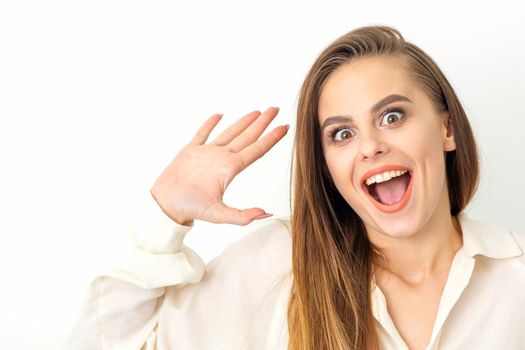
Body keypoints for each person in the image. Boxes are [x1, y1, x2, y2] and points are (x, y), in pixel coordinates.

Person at [69, 26, 525, 350]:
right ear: (327, 164)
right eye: (341, 134)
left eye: (392, 116)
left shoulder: (515, 277)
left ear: (446, 129)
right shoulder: (280, 264)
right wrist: (164, 212)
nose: (369, 146)